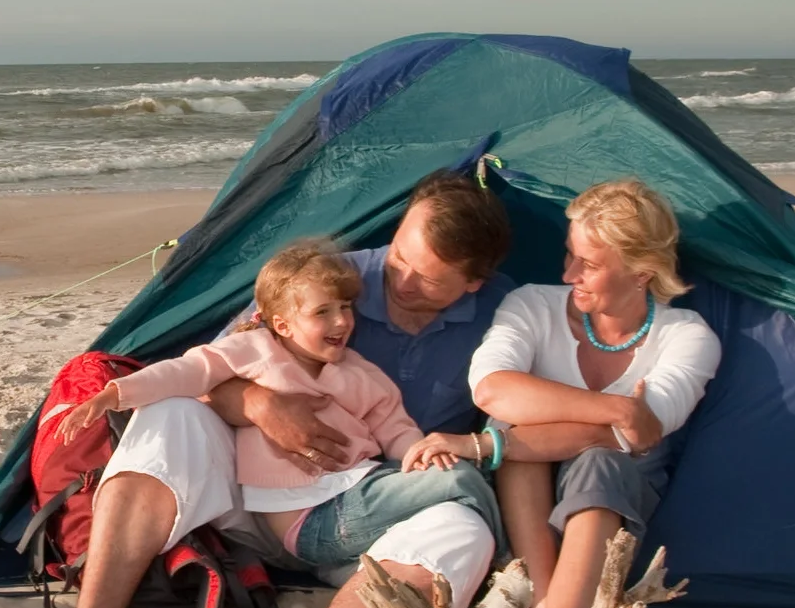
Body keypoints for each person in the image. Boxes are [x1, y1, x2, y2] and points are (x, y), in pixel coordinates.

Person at [48, 171, 517, 608]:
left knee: (463, 530)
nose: (402, 282)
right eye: (399, 258)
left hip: (368, 514)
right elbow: (207, 370)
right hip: (254, 497)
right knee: (171, 413)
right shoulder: (324, 280)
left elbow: (503, 420)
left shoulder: (502, 312)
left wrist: (433, 451)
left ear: (474, 282)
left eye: (428, 279)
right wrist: (259, 404)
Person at [54, 238, 495, 582]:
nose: (341, 321)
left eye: (345, 308)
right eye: (323, 312)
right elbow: (185, 372)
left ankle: (380, 577)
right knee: (460, 479)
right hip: (310, 519)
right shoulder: (254, 351)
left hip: (354, 497)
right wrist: (114, 394)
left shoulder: (360, 373)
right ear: (282, 324)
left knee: (447, 499)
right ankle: (510, 559)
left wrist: (420, 453)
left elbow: (395, 429)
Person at [468, 179, 720, 608]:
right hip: (527, 493)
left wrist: (523, 427)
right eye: (570, 254)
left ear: (642, 272)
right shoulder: (532, 304)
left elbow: (642, 435)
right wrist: (617, 409)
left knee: (597, 459)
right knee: (511, 425)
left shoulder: (686, 336)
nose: (569, 274)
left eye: (589, 264)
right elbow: (492, 389)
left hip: (615, 500)